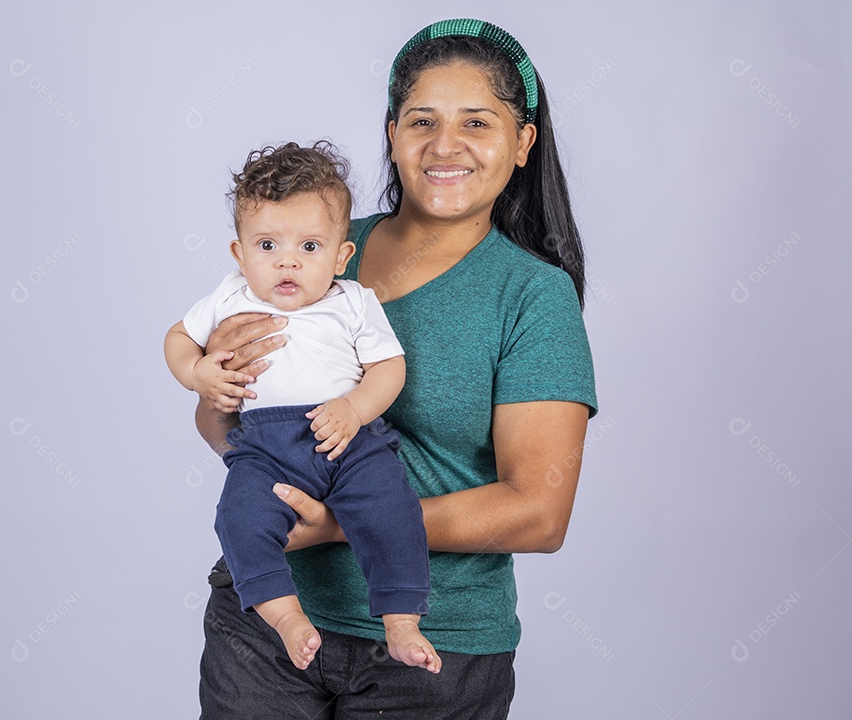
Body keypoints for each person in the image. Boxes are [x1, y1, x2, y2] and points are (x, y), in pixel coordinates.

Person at [191, 18, 598, 719]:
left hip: (436, 651)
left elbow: (539, 512)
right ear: (391, 133)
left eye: (477, 122)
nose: (446, 146)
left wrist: (339, 522)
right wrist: (217, 388)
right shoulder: (314, 247)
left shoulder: (532, 295)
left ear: (523, 141)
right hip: (265, 625)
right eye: (422, 121)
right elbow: (223, 414)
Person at [164, 142, 441, 673]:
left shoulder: (354, 302)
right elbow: (178, 337)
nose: (287, 260)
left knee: (392, 508)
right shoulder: (230, 296)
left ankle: (402, 620)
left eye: (310, 246)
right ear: (239, 254)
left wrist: (356, 408)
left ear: (341, 256)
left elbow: (389, 368)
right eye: (268, 244)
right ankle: (287, 615)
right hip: (265, 448)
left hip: (348, 438)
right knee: (238, 518)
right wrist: (198, 374)